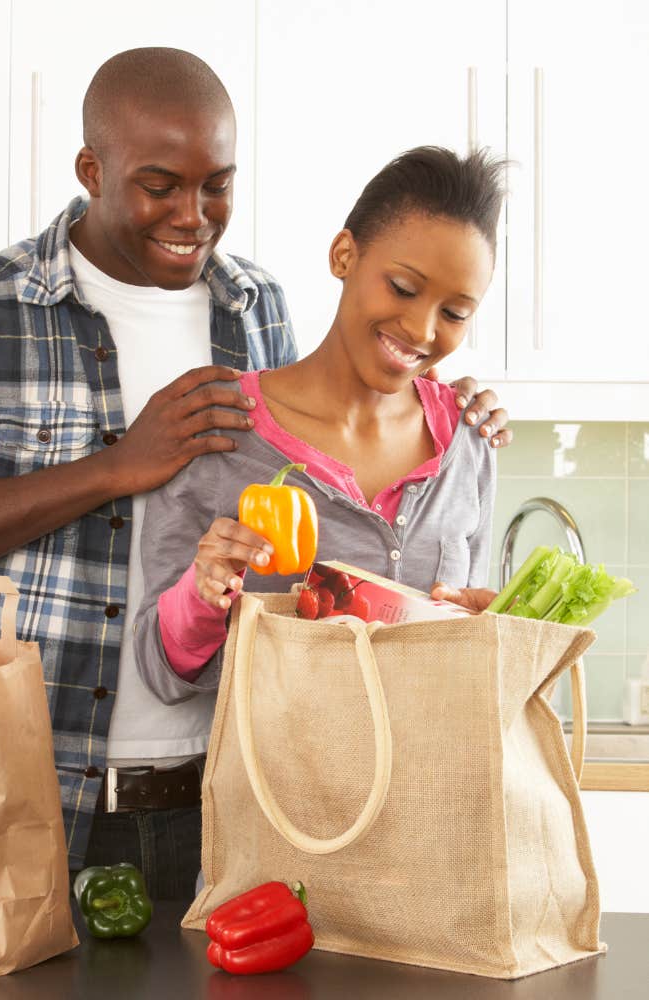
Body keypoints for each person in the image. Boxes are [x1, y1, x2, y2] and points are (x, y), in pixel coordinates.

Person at [0, 49, 510, 900]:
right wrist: (117, 468)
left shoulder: (255, 305)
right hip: (24, 786)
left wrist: (448, 405)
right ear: (92, 169)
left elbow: (312, 463)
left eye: (217, 186)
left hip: (222, 796)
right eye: (160, 184)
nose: (194, 217)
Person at [133, 145, 506, 714]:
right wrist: (203, 591)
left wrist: (481, 625)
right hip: (277, 798)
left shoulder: (469, 439)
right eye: (403, 288)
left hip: (429, 795)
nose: (420, 329)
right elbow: (162, 673)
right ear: (343, 255)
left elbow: (464, 658)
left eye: (454, 313)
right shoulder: (218, 431)